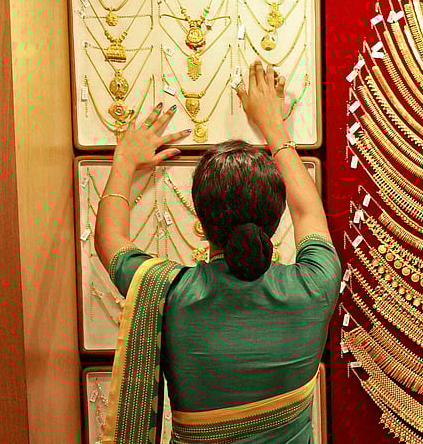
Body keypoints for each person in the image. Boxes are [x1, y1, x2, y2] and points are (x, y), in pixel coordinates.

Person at [94, 61, 341, 443]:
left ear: (202, 218)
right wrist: (274, 127)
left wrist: (125, 160)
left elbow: (110, 241)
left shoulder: (169, 292)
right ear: (276, 216)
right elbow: (309, 212)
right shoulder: (314, 285)